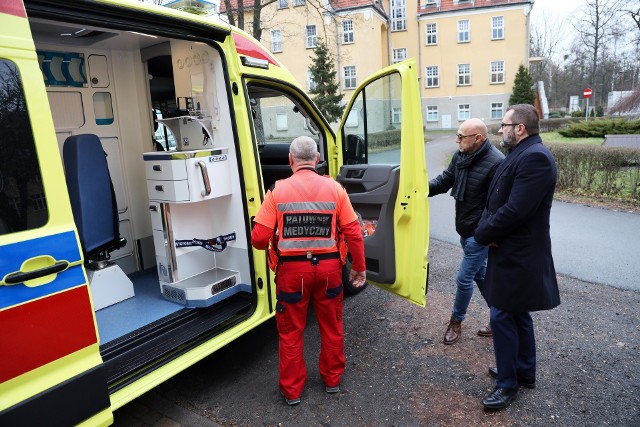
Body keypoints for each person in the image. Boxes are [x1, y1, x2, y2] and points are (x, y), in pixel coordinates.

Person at [251, 136, 367, 406]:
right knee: (332, 326)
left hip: (291, 275)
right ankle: (332, 381)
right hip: (328, 271)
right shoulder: (336, 189)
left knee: (291, 332)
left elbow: (258, 239)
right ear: (316, 160)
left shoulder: (277, 191)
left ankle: (292, 392)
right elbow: (353, 232)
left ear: (291, 160)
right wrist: (359, 268)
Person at [474, 104, 561, 410]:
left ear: (520, 128)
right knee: (517, 313)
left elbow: (516, 210)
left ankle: (507, 384)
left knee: (502, 314)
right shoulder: (521, 153)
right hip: (510, 250)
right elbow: (496, 198)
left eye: (504, 124)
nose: (501, 130)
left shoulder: (535, 157)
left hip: (519, 253)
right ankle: (524, 372)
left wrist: (484, 233)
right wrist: (486, 225)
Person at [429, 118, 504, 345]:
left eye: (461, 136)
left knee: (464, 278)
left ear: (478, 138)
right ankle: (500, 316)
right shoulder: (461, 155)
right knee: (481, 275)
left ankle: (456, 322)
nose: (457, 140)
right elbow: (446, 180)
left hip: (479, 234)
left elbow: (498, 205)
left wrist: (489, 234)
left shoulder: (497, 162)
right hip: (464, 228)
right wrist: (419, 189)